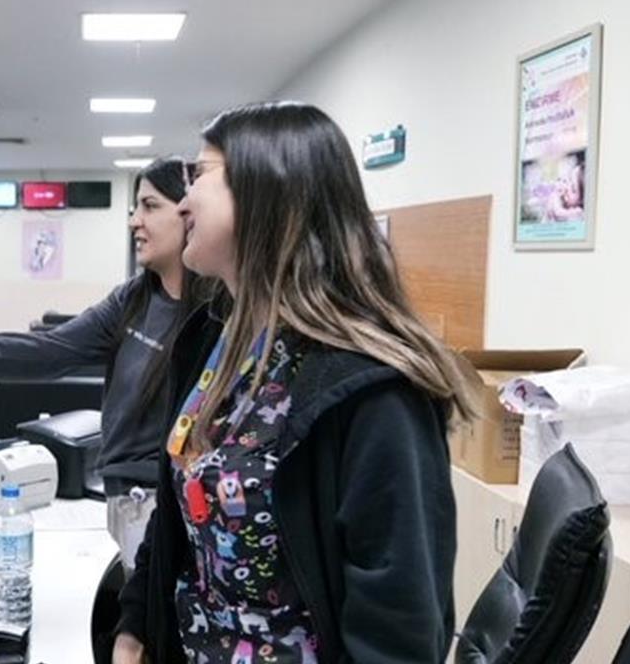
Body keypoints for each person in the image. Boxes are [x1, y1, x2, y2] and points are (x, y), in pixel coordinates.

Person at [114, 102, 478, 663]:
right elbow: (180, 503)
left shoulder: (372, 392)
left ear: (266, 193)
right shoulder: (216, 339)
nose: (183, 203)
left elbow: (398, 630)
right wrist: (136, 624)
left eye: (201, 174)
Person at [0, 158, 221, 572]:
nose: (134, 221)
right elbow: (52, 349)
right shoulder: (133, 299)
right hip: (124, 496)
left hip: (170, 502)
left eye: (149, 206)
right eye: (135, 208)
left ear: (189, 212)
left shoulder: (219, 314)